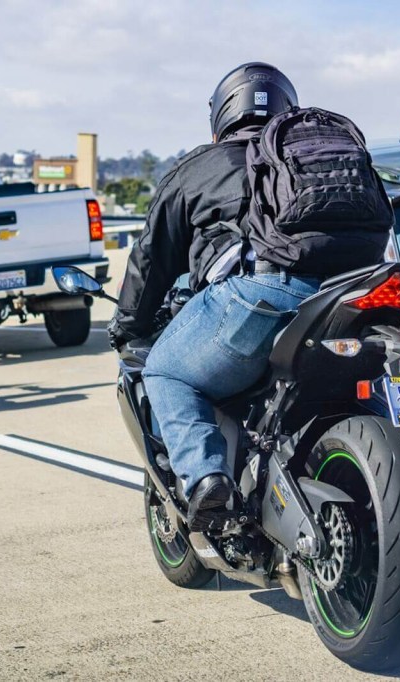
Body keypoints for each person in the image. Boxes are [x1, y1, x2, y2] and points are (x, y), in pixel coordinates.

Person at [108, 62, 319, 530]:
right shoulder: (314, 156)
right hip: (358, 289)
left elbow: (151, 260)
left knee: (166, 369)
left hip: (262, 296)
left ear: (223, 111)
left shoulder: (199, 167)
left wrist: (128, 326)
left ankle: (207, 480)